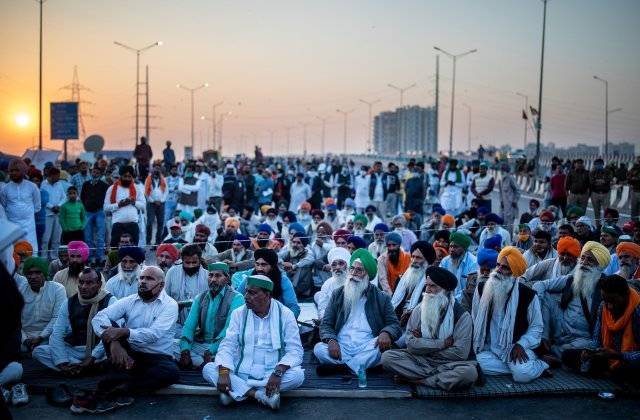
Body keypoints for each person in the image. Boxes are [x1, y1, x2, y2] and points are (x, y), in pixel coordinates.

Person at [71, 266, 179, 414]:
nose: (143, 282)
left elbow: (154, 334)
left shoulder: (170, 305)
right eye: (141, 278)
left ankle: (123, 388)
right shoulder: (129, 301)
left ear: (161, 285)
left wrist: (124, 332)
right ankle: (121, 386)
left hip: (157, 357)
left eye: (149, 278)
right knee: (109, 327)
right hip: (128, 354)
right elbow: (99, 318)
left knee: (171, 372)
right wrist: (115, 342)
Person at [201, 275, 304, 410]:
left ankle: (234, 392)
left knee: (297, 376)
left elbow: (295, 350)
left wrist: (278, 372)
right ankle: (261, 395)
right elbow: (228, 345)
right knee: (209, 368)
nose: (246, 296)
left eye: (252, 293)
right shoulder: (239, 313)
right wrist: (224, 371)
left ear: (267, 295)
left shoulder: (285, 314)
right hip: (241, 371)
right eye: (246, 291)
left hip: (272, 373)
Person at [381, 266, 478, 390]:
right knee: (387, 358)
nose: (427, 290)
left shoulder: (462, 316)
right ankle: (437, 379)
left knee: (469, 374)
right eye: (427, 285)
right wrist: (442, 344)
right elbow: (410, 344)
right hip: (421, 361)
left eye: (433, 286)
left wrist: (423, 345)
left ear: (446, 290)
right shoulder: (418, 310)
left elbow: (460, 354)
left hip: (449, 364)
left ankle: (419, 380)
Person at [314, 248, 401, 375]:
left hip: (367, 345)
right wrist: (331, 341)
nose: (353, 273)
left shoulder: (381, 297)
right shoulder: (338, 294)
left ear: (367, 275)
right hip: (341, 346)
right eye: (352, 269)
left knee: (380, 350)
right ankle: (360, 367)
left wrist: (386, 333)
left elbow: (395, 325)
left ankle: (343, 368)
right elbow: (326, 324)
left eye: (359, 270)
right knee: (319, 349)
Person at [472, 246, 550, 383]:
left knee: (522, 375)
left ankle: (540, 365)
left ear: (514, 274)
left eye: (505, 268)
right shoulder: (482, 289)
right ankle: (517, 367)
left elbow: (536, 327)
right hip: (490, 349)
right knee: (474, 364)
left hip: (516, 348)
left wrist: (521, 344)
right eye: (498, 265)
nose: (498, 270)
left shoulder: (528, 295)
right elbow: (475, 317)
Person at [532, 241, 610, 364]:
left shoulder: (605, 287)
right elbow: (539, 285)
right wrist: (537, 306)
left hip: (582, 337)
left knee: (589, 347)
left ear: (600, 265)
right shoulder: (571, 279)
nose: (584, 263)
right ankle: (544, 340)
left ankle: (553, 352)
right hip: (559, 327)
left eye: (590, 260)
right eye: (583, 258)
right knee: (546, 296)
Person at [33, 268, 116, 373]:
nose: (84, 287)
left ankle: (78, 368)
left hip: (100, 350)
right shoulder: (69, 302)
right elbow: (57, 334)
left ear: (99, 285)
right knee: (38, 351)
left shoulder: (110, 301)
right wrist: (61, 362)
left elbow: (111, 334)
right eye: (81, 282)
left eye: (89, 283)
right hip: (75, 350)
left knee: (116, 349)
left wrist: (93, 357)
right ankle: (80, 368)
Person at [562, 274, 640, 385]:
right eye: (606, 301)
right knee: (567, 356)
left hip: (626, 358)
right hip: (609, 357)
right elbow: (596, 339)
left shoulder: (637, 311)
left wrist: (618, 355)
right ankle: (610, 373)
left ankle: (612, 374)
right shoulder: (603, 306)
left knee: (628, 371)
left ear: (626, 295)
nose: (609, 306)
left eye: (613, 301)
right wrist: (590, 352)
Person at [177, 262, 244, 369]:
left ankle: (203, 363)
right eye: (210, 275)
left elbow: (228, 331)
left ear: (227, 279)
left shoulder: (237, 298)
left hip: (223, 346)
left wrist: (211, 350)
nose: (213, 279)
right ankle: (206, 364)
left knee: (232, 354)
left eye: (218, 276)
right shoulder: (200, 297)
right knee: (171, 345)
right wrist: (185, 351)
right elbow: (189, 326)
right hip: (202, 345)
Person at [232, 248, 300, 318]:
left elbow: (293, 307)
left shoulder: (282, 280)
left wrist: (283, 322)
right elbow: (237, 300)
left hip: (276, 318)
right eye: (257, 264)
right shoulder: (249, 278)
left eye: (263, 265)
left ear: (272, 266)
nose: (259, 268)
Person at [17, 257, 66, 352]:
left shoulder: (57, 289)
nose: (33, 276)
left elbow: (57, 318)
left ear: (44, 273)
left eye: (37, 272)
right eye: (29, 273)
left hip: (48, 336)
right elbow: (15, 320)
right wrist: (24, 340)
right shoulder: (20, 290)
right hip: (23, 337)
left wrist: (40, 337)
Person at [164, 244, 209, 334]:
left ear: (200, 261)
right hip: (176, 323)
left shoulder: (207, 275)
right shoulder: (172, 272)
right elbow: (165, 298)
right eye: (187, 263)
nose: (191, 266)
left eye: (194, 262)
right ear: (182, 260)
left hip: (200, 326)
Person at [391, 241, 436, 328]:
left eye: (419, 258)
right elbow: (394, 306)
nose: (414, 261)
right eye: (413, 257)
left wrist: (410, 315)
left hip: (417, 325)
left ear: (427, 261)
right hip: (396, 323)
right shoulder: (401, 278)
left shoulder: (431, 284)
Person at [104, 166, 145, 247]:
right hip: (117, 224)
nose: (127, 178)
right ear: (120, 176)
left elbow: (143, 206)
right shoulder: (111, 188)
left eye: (129, 176)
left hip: (133, 224)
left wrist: (134, 202)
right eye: (125, 176)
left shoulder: (137, 188)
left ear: (132, 177)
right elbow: (106, 207)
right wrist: (119, 205)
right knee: (115, 249)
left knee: (133, 250)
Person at [81, 166, 109, 265]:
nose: (95, 174)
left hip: (99, 212)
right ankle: (89, 257)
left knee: (100, 236)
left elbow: (107, 199)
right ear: (91, 172)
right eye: (93, 172)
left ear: (100, 174)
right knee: (88, 236)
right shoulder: (86, 184)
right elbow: (82, 198)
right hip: (88, 212)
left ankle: (99, 257)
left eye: (97, 173)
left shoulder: (104, 185)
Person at [439, 231, 478, 302]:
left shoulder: (473, 262)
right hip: (445, 300)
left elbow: (469, 289)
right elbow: (439, 281)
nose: (452, 250)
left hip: (465, 302)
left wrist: (454, 301)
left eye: (455, 247)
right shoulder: (445, 261)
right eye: (451, 246)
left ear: (464, 249)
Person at [314, 247, 351, 320]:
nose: (337, 267)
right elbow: (322, 307)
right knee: (317, 295)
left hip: (351, 320)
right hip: (332, 319)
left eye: (341, 263)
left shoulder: (354, 281)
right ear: (331, 268)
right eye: (334, 264)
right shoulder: (328, 283)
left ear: (347, 265)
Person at [40, 167, 67, 258]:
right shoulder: (43, 184)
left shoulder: (59, 184)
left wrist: (59, 206)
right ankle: (44, 258)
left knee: (57, 239)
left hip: (58, 214)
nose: (59, 178)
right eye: (57, 176)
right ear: (52, 175)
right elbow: (42, 199)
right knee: (45, 239)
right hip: (48, 214)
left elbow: (64, 197)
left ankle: (54, 257)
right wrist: (51, 207)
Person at [281, 232, 315, 297]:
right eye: (294, 242)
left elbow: (311, 259)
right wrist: (283, 263)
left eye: (298, 243)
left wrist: (294, 266)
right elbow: (277, 257)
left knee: (302, 266)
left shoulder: (307, 251)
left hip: (303, 286)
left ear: (303, 244)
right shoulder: (290, 251)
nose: (295, 245)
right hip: (290, 282)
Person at [144, 162, 168, 246]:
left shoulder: (164, 179)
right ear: (152, 169)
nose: (156, 170)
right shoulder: (148, 179)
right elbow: (146, 193)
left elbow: (166, 192)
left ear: (160, 170)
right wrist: (153, 201)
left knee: (160, 223)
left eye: (158, 168)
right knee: (149, 223)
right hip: (151, 203)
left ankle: (158, 241)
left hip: (161, 204)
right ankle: (148, 241)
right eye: (155, 168)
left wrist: (161, 201)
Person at [497, 163, 520, 230]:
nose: (502, 171)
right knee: (501, 225)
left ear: (507, 171)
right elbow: (500, 192)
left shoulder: (511, 178)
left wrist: (515, 201)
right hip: (503, 207)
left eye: (504, 170)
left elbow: (517, 191)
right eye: (501, 169)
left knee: (509, 228)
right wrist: (501, 201)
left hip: (510, 207)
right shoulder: (500, 180)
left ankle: (509, 240)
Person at [628, 156, 640, 221]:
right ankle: (634, 224)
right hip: (634, 191)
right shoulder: (633, 169)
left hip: (635, 190)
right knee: (634, 210)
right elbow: (628, 178)